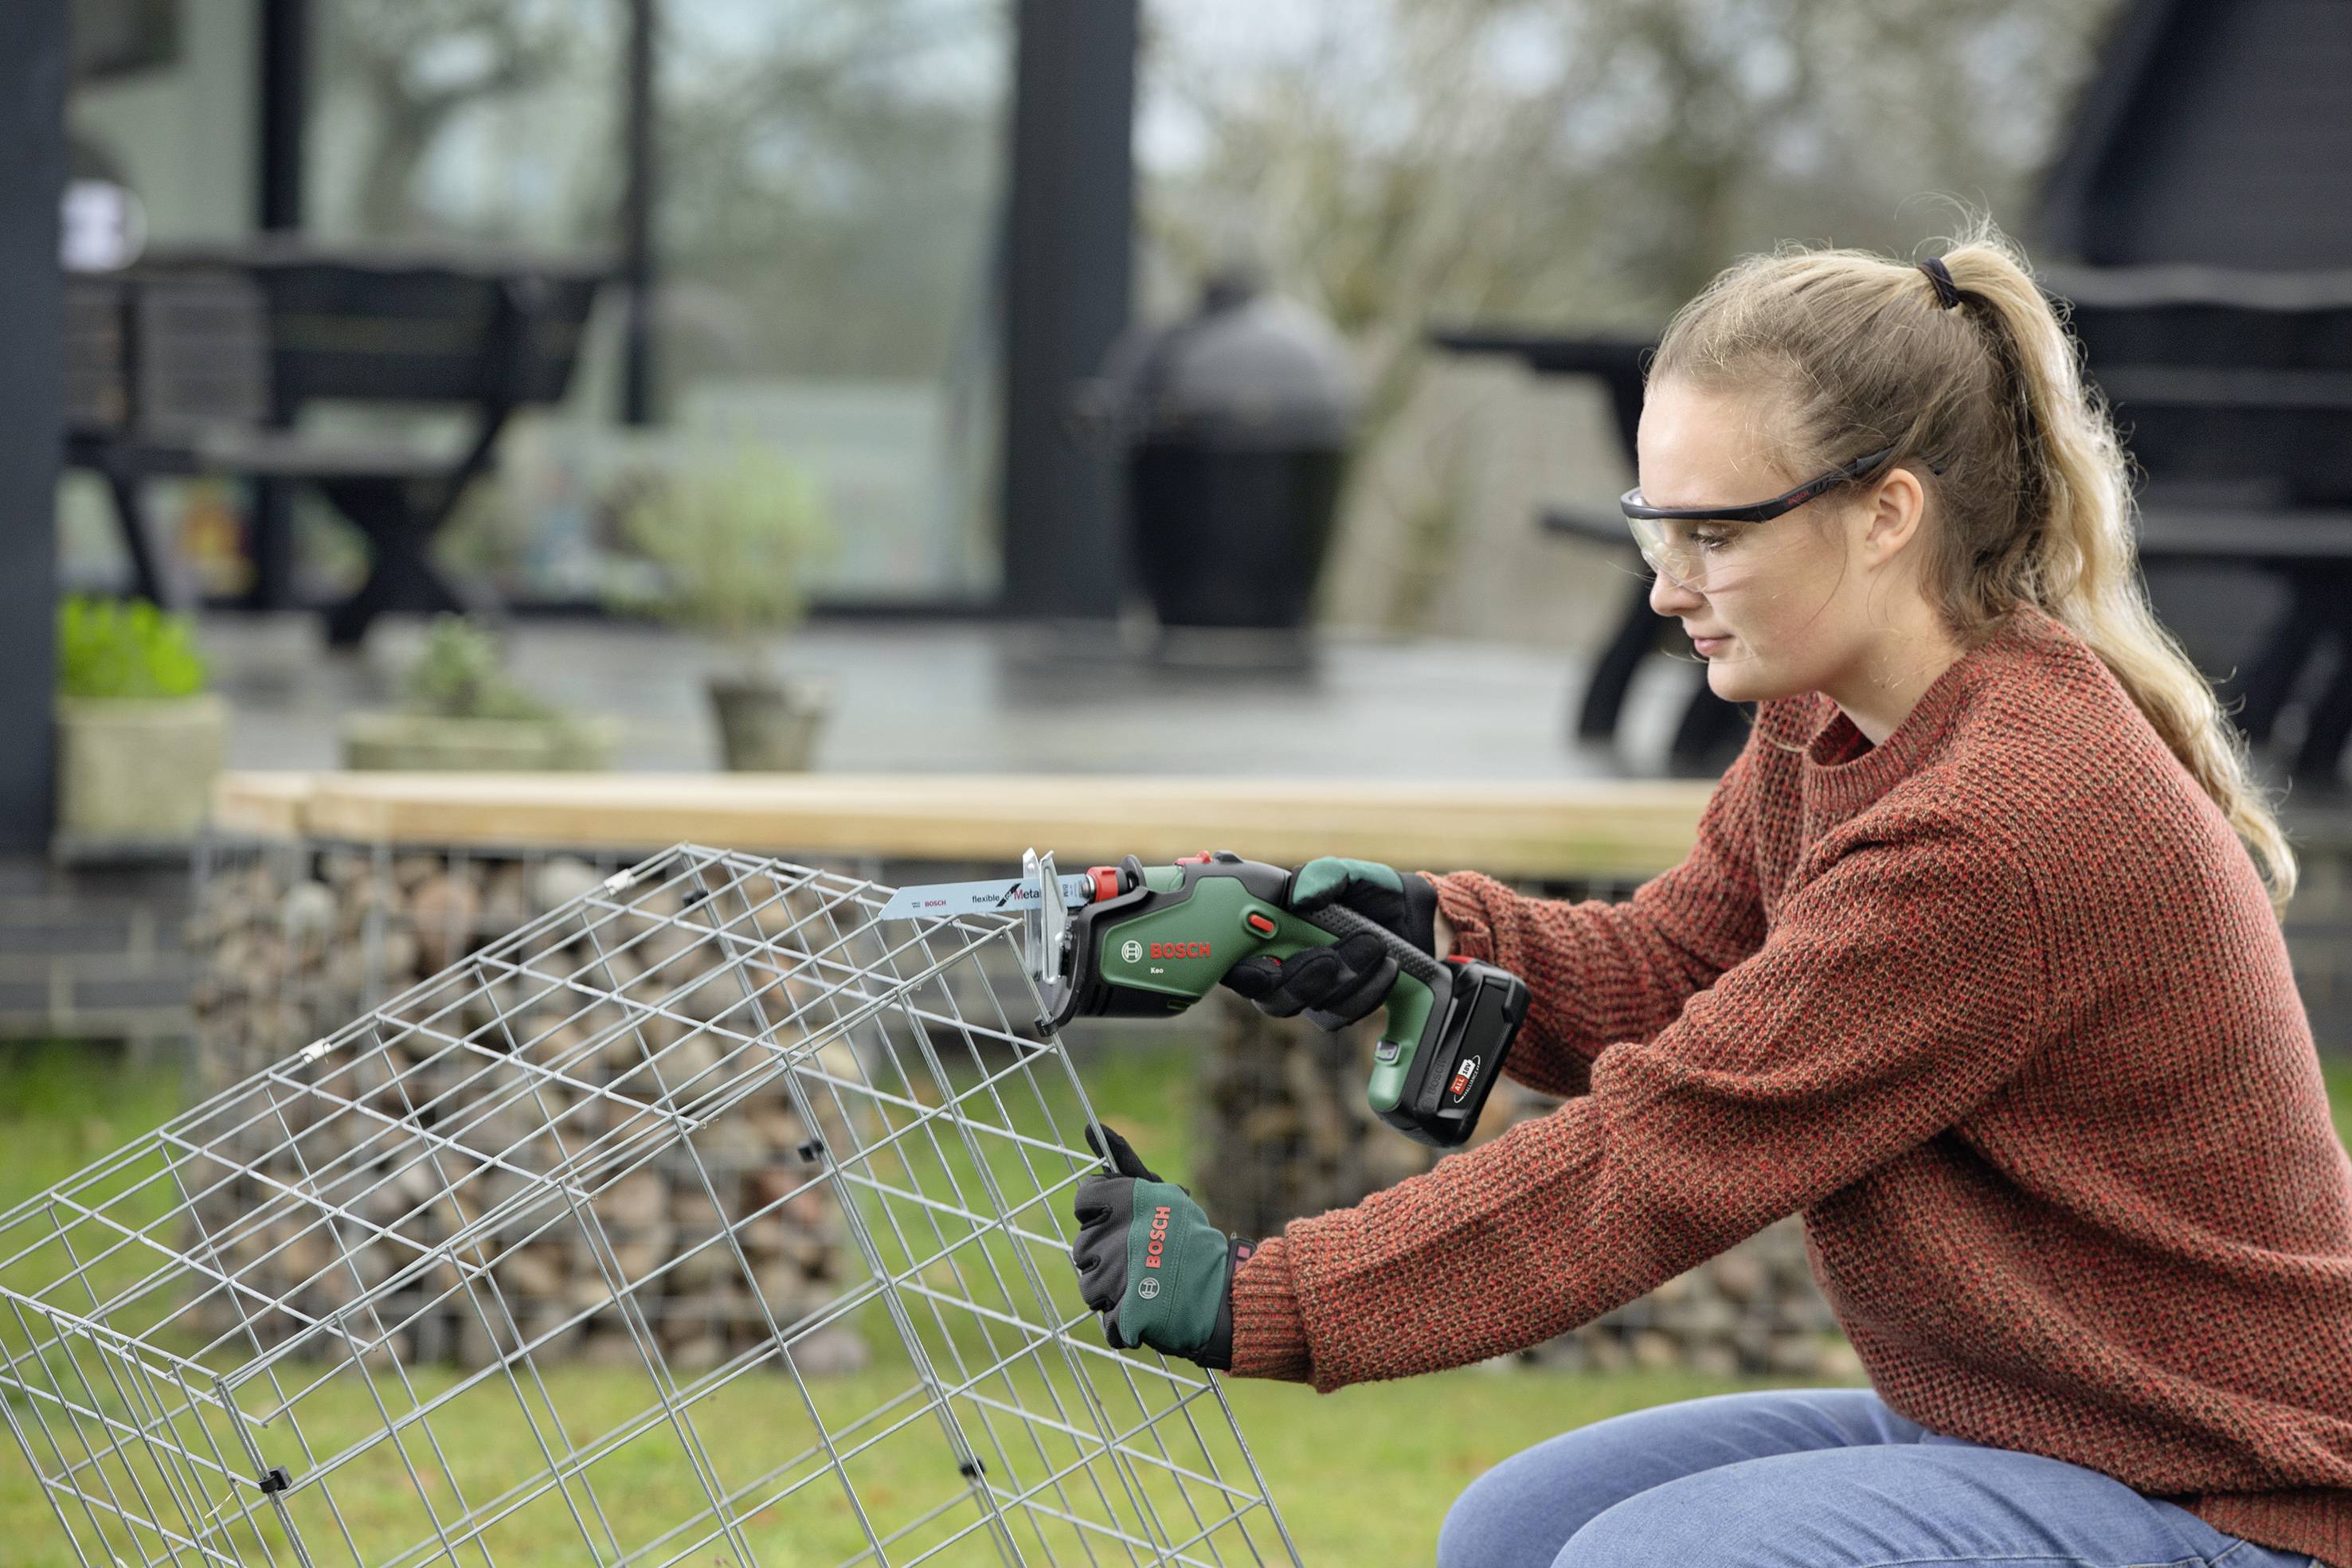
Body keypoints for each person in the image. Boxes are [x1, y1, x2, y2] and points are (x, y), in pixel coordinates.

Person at [1066, 219, 2352, 1568]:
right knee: (1511, 1530)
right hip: (2034, 1430)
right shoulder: (1827, 718)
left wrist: (1264, 1297)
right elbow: (1678, 967)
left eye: (1715, 533)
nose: (1668, 586)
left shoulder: (1997, 828)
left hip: (2234, 1496)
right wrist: (1426, 938)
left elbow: (1664, 1151)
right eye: (1653, 525)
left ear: (1885, 512)